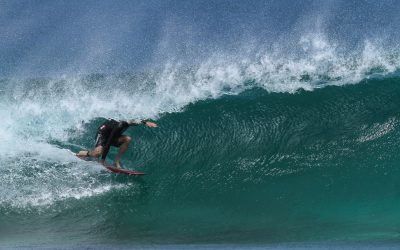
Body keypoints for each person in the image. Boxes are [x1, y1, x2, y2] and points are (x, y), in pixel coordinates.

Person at [76, 119, 157, 168]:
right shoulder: (120, 125)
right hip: (103, 134)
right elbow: (108, 142)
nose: (133, 123)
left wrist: (146, 122)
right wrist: (103, 160)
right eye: (131, 123)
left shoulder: (130, 121)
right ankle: (83, 153)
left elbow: (138, 120)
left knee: (127, 139)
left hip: (112, 133)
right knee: (97, 154)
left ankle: (116, 162)